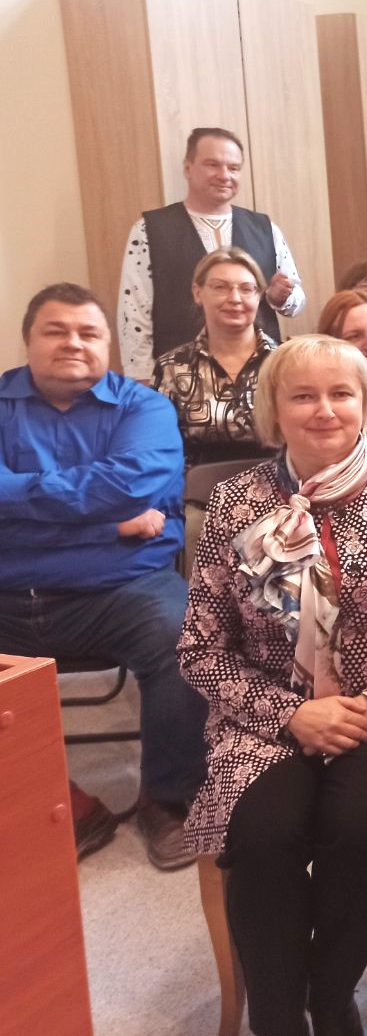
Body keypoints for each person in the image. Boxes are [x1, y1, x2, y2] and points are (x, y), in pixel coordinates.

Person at [179, 335, 367, 1036]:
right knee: (264, 833)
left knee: (360, 825)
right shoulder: (235, 501)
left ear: (366, 404)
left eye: (341, 394)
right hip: (266, 715)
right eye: (303, 395)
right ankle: (277, 1014)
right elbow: (200, 648)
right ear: (274, 409)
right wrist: (292, 714)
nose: (325, 409)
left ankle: (329, 999)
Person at [0, 283, 205, 869]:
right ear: (28, 339)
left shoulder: (145, 409)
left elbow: (130, 487)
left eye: (88, 333)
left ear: (108, 344)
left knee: (185, 635)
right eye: (56, 330)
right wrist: (110, 527)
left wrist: (16, 502)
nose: (73, 342)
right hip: (8, 591)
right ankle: (68, 806)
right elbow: (116, 502)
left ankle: (168, 799)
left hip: (120, 589)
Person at [118, 128, 303, 382]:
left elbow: (296, 302)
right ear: (188, 168)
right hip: (180, 378)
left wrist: (280, 298)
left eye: (234, 168)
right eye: (212, 165)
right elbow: (134, 312)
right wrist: (140, 379)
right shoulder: (149, 230)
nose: (224, 175)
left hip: (259, 374)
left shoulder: (265, 228)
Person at [153, 248, 275, 466]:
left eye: (247, 289)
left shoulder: (285, 361)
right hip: (197, 484)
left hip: (278, 482)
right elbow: (159, 446)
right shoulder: (172, 367)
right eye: (220, 287)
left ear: (259, 296)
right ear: (197, 293)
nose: (235, 298)